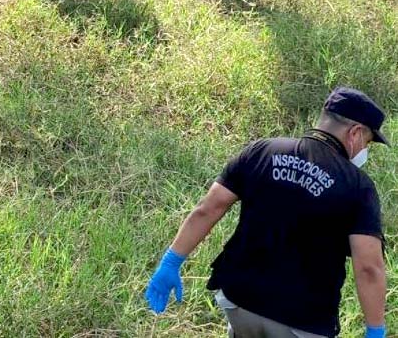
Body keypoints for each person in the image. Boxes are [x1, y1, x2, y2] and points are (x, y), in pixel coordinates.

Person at [145, 86, 388, 338]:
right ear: (355, 133)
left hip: (239, 303)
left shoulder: (261, 151)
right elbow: (368, 266)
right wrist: (375, 330)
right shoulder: (358, 186)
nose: (364, 150)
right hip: (303, 322)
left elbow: (208, 208)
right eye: (367, 142)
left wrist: (171, 262)